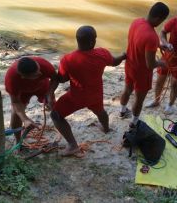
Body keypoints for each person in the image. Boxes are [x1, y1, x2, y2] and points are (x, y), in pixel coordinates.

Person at [51, 25, 126, 157]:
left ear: (77, 40)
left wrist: (53, 74)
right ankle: (106, 129)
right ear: (92, 41)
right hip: (95, 94)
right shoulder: (102, 53)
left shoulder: (67, 59)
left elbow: (62, 79)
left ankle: (73, 145)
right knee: (101, 111)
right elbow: (115, 62)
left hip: (76, 97)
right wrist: (124, 55)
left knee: (55, 115)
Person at [119, 2, 170, 125]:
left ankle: (122, 110)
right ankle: (134, 122)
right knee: (139, 98)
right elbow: (151, 64)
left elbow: (139, 42)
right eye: (162, 20)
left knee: (127, 89)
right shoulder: (152, 36)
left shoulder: (136, 22)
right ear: (159, 19)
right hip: (141, 73)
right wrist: (162, 63)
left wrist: (159, 45)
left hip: (130, 64)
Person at [5, 56, 58, 143]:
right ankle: (18, 140)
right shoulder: (12, 79)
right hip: (23, 91)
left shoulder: (43, 64)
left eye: (39, 69)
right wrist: (25, 119)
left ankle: (60, 127)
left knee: (53, 105)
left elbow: (55, 79)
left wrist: (50, 94)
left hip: (43, 85)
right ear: (23, 77)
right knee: (17, 114)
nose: (40, 73)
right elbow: (15, 102)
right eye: (36, 74)